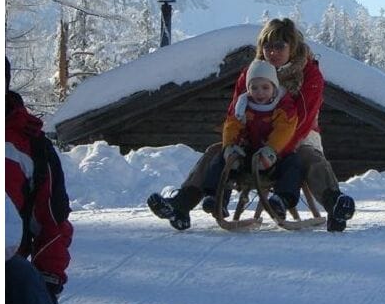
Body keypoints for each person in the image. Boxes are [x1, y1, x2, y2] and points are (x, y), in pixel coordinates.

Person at [148, 18, 356, 231]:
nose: (273, 52)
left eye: (279, 46)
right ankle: (181, 204)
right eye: (267, 46)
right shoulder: (252, 73)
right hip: (252, 137)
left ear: (292, 46)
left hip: (296, 137)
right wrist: (232, 145)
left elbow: (301, 120)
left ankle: (335, 204)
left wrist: (272, 151)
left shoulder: (308, 75)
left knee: (308, 157)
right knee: (215, 153)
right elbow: (235, 113)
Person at [150, 60, 303, 229]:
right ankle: (215, 198)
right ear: (248, 89)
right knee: (221, 158)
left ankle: (281, 200)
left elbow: (284, 129)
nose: (260, 92)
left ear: (274, 87)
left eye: (265, 87)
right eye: (254, 88)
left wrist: (272, 149)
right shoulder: (243, 105)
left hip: (275, 156)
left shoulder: (283, 105)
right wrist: (230, 146)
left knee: (293, 163)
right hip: (248, 154)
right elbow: (232, 125)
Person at [6, 57, 75, 304]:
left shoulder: (29, 146)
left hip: (1, 264)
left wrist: (48, 276)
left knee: (21, 275)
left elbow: (51, 222)